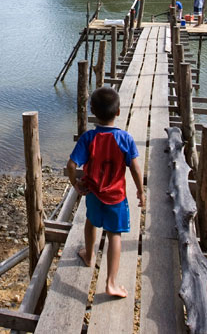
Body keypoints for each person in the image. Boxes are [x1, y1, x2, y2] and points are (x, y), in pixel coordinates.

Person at [67, 87, 145, 298]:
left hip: (93, 192)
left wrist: (75, 183)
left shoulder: (88, 138)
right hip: (116, 197)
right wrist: (140, 190)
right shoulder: (125, 139)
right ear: (118, 112)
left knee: (91, 221)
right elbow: (135, 168)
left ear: (92, 111)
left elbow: (72, 164)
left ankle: (90, 255)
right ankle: (111, 283)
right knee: (114, 235)